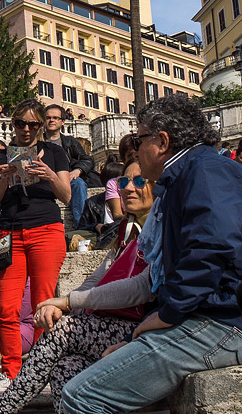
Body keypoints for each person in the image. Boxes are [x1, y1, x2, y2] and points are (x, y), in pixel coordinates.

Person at [59, 95, 242, 414]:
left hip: (223, 322)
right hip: (207, 316)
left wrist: (167, 316)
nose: (134, 147)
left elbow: (212, 249)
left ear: (162, 141)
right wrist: (136, 338)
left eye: (139, 138)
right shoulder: (188, 175)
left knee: (81, 395)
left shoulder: (206, 171)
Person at [0, 160, 157, 413]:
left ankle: (0, 410)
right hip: (119, 326)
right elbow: (96, 279)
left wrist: (67, 304)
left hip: (147, 332)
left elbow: (140, 288)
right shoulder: (125, 232)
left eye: (139, 181)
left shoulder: (159, 229)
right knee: (66, 367)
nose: (128, 188)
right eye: (123, 181)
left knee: (63, 330)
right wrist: (64, 304)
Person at [0, 98, 71, 393]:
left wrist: (47, 174)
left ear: (42, 126)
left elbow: (67, 196)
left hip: (46, 229)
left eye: (34, 124)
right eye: (21, 123)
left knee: (43, 304)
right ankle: (11, 372)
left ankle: (40, 370)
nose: (27, 130)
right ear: (13, 124)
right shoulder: (0, 156)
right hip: (8, 233)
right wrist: (5, 179)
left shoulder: (56, 152)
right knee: (6, 307)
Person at [43, 104, 94, 226]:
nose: (52, 120)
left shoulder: (70, 142)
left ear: (63, 122)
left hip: (66, 181)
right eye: (48, 117)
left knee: (79, 183)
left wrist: (78, 170)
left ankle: (81, 226)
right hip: (43, 181)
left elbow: (87, 160)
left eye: (56, 118)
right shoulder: (37, 142)